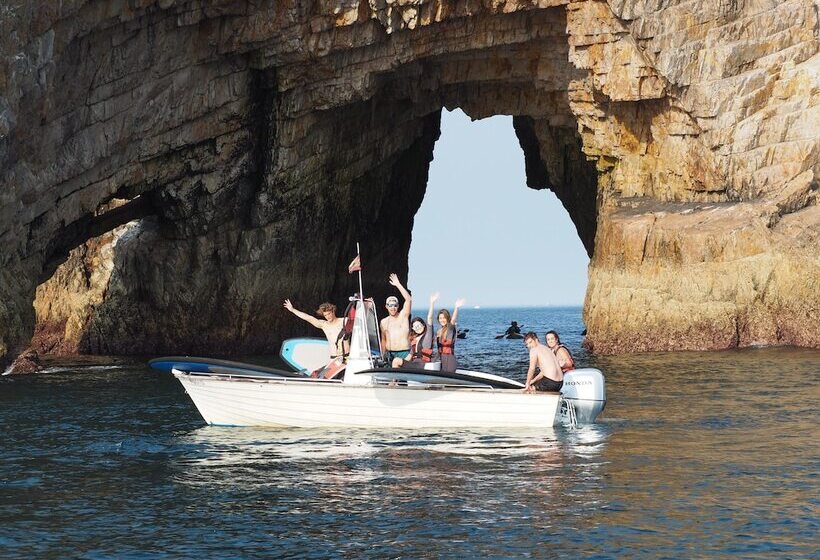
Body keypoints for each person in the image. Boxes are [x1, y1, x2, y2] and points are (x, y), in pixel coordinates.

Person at [391, 293, 437, 369]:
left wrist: (432, 303)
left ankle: (393, 381)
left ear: (423, 325)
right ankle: (396, 380)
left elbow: (430, 318)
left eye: (419, 325)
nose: (417, 328)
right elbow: (410, 355)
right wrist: (402, 362)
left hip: (422, 365)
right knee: (397, 361)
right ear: (413, 329)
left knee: (396, 360)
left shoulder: (427, 336)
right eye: (415, 327)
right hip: (414, 364)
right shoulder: (414, 340)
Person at [380, 273, 412, 364]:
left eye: (395, 305)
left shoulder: (403, 316)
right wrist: (382, 355)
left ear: (398, 306)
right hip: (389, 354)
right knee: (391, 378)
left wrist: (398, 284)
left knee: (401, 378)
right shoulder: (383, 322)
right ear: (386, 306)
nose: (392, 307)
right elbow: (383, 339)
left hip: (404, 353)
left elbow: (408, 299)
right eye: (390, 305)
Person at [436, 297, 465, 373]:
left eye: (444, 318)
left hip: (450, 360)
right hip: (442, 360)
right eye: (440, 318)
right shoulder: (439, 331)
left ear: (447, 318)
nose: (442, 320)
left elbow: (453, 321)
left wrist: (456, 308)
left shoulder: (450, 328)